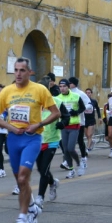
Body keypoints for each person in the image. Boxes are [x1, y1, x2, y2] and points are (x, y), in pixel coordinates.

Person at [0, 57, 60, 223]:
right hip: (14, 139)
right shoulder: (6, 91)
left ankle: (22, 218)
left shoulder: (40, 90)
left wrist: (39, 124)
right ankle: (32, 208)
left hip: (32, 138)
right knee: (19, 181)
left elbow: (56, 113)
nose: (18, 73)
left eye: (22, 70)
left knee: (23, 178)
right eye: (16, 70)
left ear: (30, 72)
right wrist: (11, 127)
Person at [34, 80, 70, 208]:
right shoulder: (33, 104)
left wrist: (63, 123)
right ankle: (53, 182)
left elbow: (66, 116)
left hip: (52, 141)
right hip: (37, 140)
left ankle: (40, 197)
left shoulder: (57, 102)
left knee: (44, 169)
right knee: (40, 169)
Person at [57, 79, 86, 178]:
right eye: (60, 86)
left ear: (68, 87)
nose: (62, 88)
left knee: (70, 148)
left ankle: (79, 164)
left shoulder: (76, 96)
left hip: (74, 125)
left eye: (64, 86)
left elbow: (83, 108)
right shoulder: (57, 98)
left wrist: (76, 112)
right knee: (65, 150)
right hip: (64, 126)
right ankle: (71, 169)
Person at [67, 77, 92, 169]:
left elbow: (89, 105)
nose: (68, 84)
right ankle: (67, 159)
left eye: (70, 83)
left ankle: (83, 157)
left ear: (74, 84)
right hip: (67, 122)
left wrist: (78, 110)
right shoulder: (66, 93)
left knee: (80, 140)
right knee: (67, 142)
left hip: (79, 121)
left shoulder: (80, 94)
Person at [0, 84, 9, 179]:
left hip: (9, 130)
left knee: (8, 149)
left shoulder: (9, 101)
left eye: (0, 91)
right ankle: (1, 169)